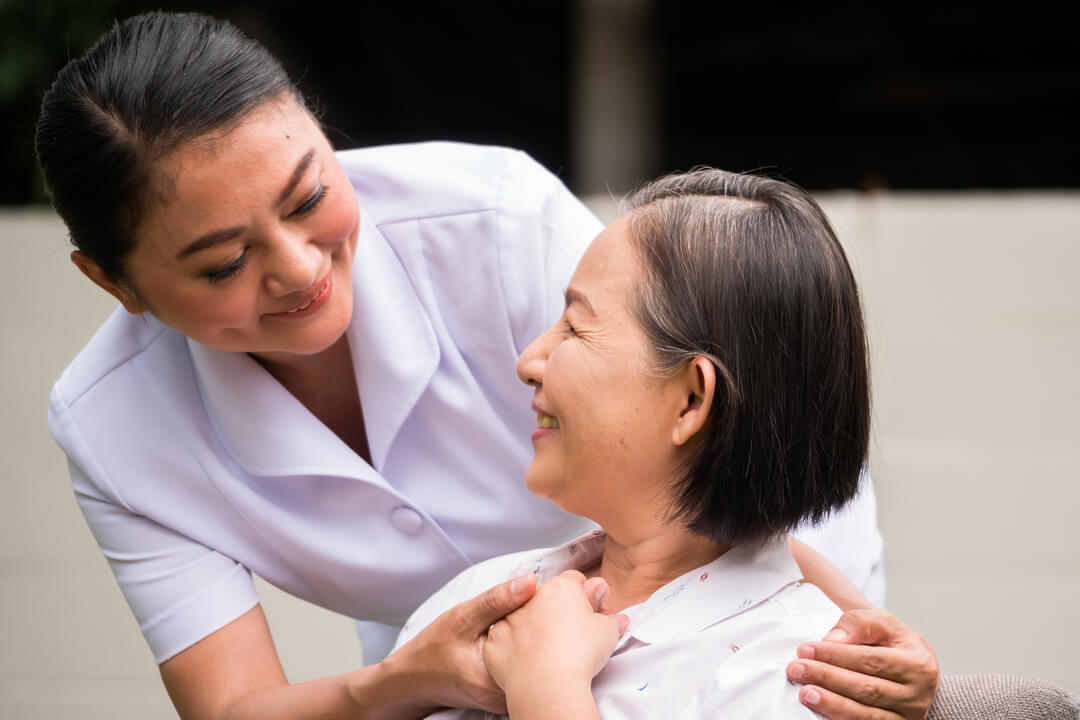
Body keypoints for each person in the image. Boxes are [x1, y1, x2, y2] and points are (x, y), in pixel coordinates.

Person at [36, 11, 937, 720]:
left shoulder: (495, 222)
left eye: (309, 195)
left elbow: (757, 401)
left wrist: (853, 646)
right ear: (116, 282)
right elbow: (235, 706)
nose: (302, 269)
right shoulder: (116, 426)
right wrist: (406, 681)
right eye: (224, 263)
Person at [392, 168, 918, 718]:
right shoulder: (479, 598)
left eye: (574, 328)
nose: (529, 361)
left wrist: (546, 687)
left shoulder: (803, 682)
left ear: (691, 401)